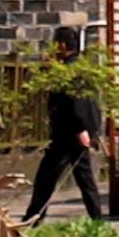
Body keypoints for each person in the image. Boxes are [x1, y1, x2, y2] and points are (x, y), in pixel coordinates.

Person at [20, 25, 102, 222]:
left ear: (62, 45)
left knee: (47, 178)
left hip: (70, 132)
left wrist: (81, 128)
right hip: (72, 131)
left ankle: (33, 218)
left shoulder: (71, 70)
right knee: (82, 178)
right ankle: (97, 220)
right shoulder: (78, 67)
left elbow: (77, 101)